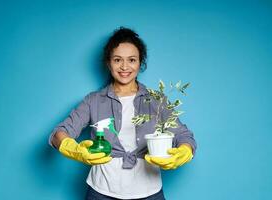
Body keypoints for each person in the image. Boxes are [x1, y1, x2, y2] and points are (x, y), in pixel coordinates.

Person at [49, 27, 197, 200]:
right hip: (101, 192)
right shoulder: (93, 100)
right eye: (118, 60)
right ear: (108, 63)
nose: (125, 66)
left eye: (132, 60)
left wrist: (184, 152)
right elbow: (58, 133)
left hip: (149, 193)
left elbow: (183, 135)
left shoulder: (157, 100)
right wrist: (73, 149)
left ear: (140, 63)